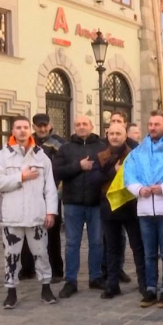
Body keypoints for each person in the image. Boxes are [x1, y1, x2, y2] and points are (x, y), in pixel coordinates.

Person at [0, 116, 58, 309]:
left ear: (31, 130)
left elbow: (50, 188)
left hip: (36, 215)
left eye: (25, 127)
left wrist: (51, 212)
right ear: (12, 131)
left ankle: (46, 287)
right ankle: (11, 291)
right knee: (11, 255)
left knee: (41, 253)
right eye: (18, 127)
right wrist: (20, 177)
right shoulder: (3, 156)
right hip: (12, 215)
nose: (22, 131)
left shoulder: (41, 156)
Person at [122, 111, 163, 308]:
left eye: (157, 124)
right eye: (150, 124)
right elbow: (129, 175)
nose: (152, 127)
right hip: (144, 209)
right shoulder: (139, 152)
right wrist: (139, 190)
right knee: (149, 252)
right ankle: (151, 288)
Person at [53, 115, 107, 298]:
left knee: (97, 242)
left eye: (85, 124)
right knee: (72, 244)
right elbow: (57, 171)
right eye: (78, 124)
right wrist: (79, 166)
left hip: (96, 202)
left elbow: (108, 171)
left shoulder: (101, 146)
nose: (81, 127)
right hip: (73, 202)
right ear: (74, 127)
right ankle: (71, 280)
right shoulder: (65, 148)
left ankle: (96, 277)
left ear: (92, 126)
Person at [97, 122, 146, 298]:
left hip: (131, 206)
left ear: (125, 136)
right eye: (112, 134)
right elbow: (94, 178)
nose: (115, 137)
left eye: (118, 134)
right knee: (111, 247)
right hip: (109, 207)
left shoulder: (134, 155)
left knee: (137, 246)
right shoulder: (100, 155)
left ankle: (144, 283)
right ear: (107, 136)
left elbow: (141, 176)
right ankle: (112, 285)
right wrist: (113, 172)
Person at [19, 113, 67, 283]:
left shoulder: (59, 142)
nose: (42, 128)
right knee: (27, 231)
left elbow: (62, 167)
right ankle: (27, 268)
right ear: (34, 126)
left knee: (52, 235)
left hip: (51, 193)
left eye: (44, 125)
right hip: (29, 194)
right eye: (38, 125)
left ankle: (57, 271)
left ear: (50, 125)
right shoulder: (27, 142)